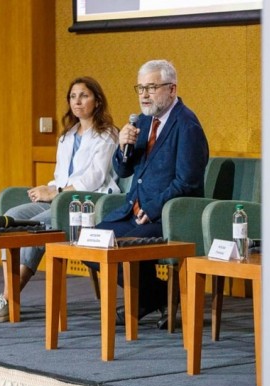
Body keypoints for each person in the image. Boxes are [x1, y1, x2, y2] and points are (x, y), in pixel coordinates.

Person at [0, 76, 121, 323]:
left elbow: (93, 178)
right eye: (73, 96)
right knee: (12, 218)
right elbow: (60, 176)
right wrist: (48, 189)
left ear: (98, 101)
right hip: (60, 198)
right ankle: (9, 293)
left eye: (84, 95)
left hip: (86, 203)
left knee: (37, 226)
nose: (77, 101)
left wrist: (56, 193)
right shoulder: (67, 136)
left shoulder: (108, 134)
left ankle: (9, 297)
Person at [88, 59, 209, 329]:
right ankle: (161, 296)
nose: (144, 94)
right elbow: (124, 169)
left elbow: (187, 182)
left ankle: (148, 300)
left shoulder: (187, 125)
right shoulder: (143, 121)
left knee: (121, 246)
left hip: (168, 217)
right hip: (134, 210)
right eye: (140, 88)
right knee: (90, 243)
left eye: (152, 87)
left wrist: (152, 209)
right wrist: (123, 147)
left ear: (172, 89)